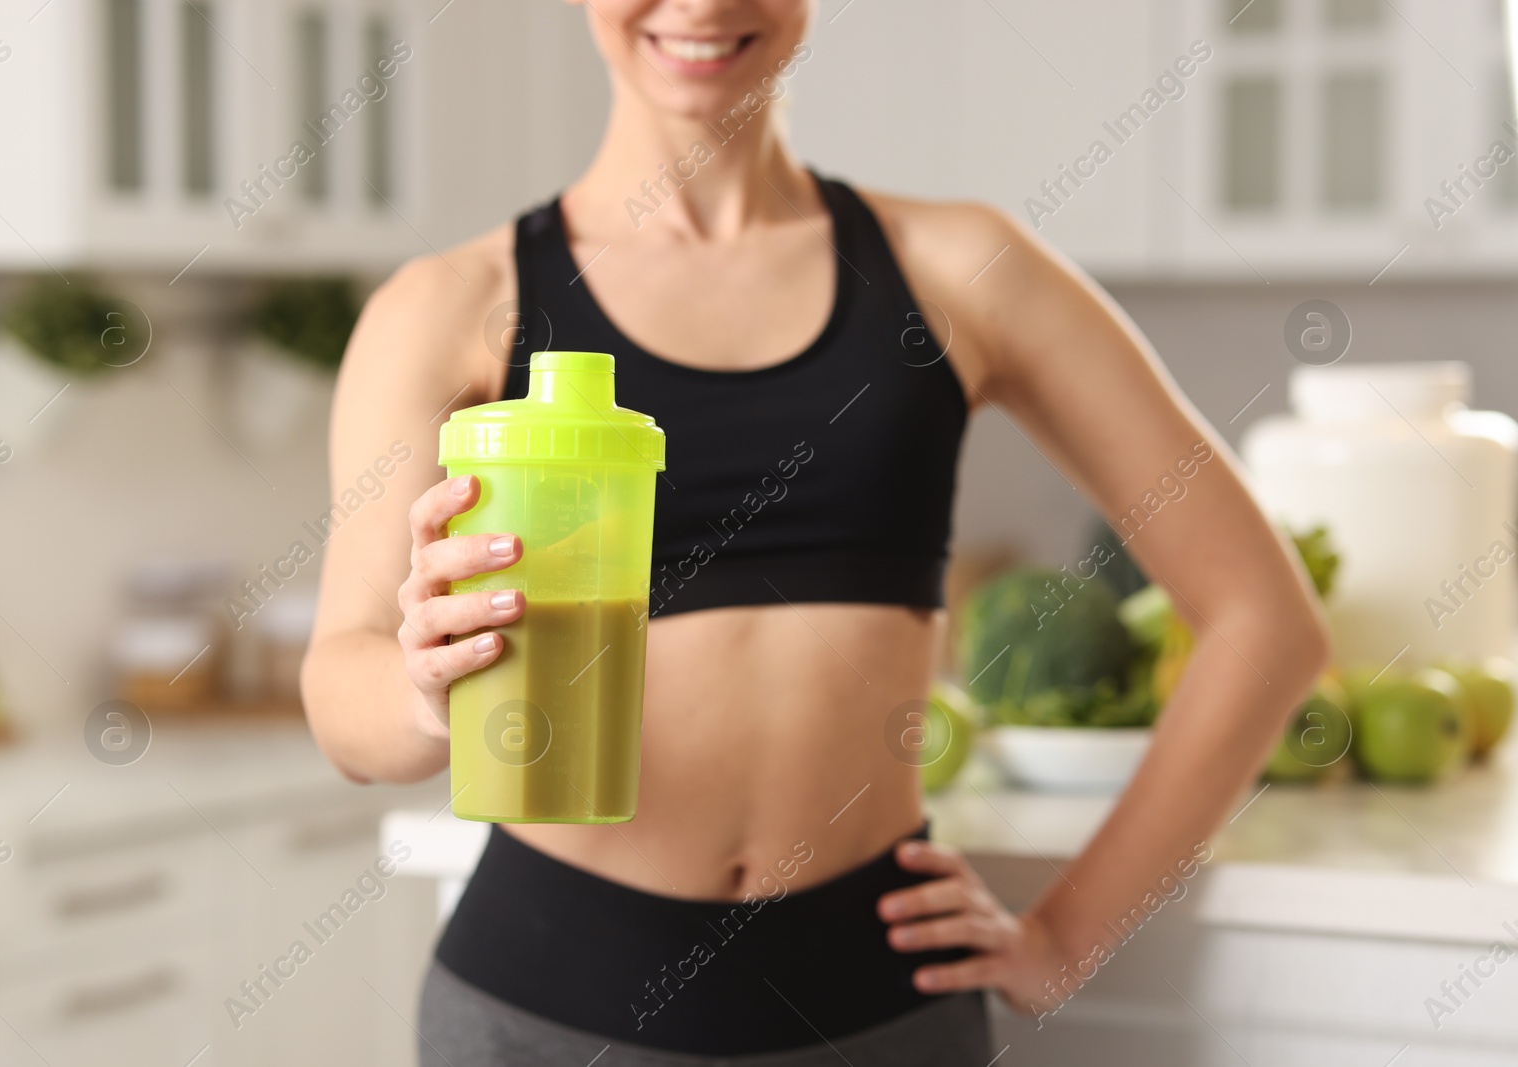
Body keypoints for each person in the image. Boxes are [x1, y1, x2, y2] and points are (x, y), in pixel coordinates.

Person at [302, 1, 1331, 1063]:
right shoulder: (451, 306)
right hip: (549, 1012)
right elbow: (343, 696)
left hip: (878, 1008)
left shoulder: (962, 266)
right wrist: (426, 691)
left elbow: (1264, 617)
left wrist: (1067, 938)